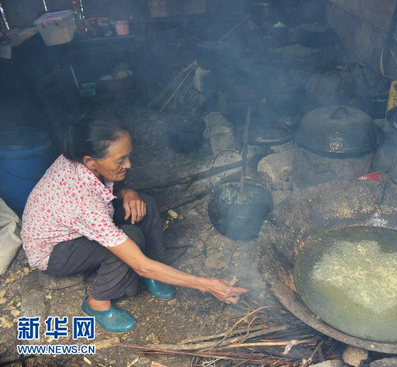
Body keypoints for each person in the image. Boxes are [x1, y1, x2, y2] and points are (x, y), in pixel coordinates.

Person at [21, 118, 248, 333]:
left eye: (128, 156)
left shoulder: (84, 158)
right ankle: (97, 303)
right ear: (90, 161)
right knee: (131, 237)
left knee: (144, 204)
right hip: (54, 252)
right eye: (120, 160)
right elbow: (139, 264)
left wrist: (128, 192)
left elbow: (103, 187)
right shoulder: (83, 199)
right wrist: (207, 285)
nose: (128, 164)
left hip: (76, 225)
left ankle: (156, 273)